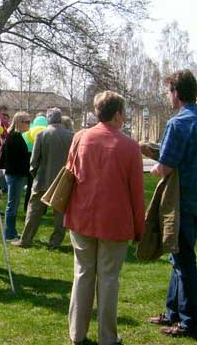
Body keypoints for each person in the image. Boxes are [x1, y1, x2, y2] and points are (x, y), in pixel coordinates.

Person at [66, 91, 145, 345]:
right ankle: (107, 337)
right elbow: (137, 193)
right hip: (114, 220)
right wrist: (139, 228)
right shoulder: (130, 146)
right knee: (109, 278)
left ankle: (77, 333)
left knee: (83, 273)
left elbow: (71, 174)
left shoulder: (80, 138)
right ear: (118, 114)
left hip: (81, 216)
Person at [149, 70, 197, 339]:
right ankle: (172, 311)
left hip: (180, 201)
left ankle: (189, 321)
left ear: (176, 93)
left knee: (183, 261)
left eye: (169, 92)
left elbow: (165, 167)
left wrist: (153, 167)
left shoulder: (178, 123)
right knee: (179, 257)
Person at [11, 108, 73, 249]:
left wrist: (35, 174)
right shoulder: (71, 136)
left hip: (42, 179)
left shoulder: (42, 135)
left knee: (34, 211)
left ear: (48, 119)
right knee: (59, 214)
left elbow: (34, 161)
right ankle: (55, 242)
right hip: (62, 180)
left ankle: (26, 239)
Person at [0, 111, 31, 240]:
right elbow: (16, 158)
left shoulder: (15, 136)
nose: (29, 124)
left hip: (15, 174)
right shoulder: (14, 137)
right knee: (12, 205)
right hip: (15, 174)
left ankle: (11, 231)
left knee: (13, 204)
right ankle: (9, 232)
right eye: (27, 122)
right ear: (20, 122)